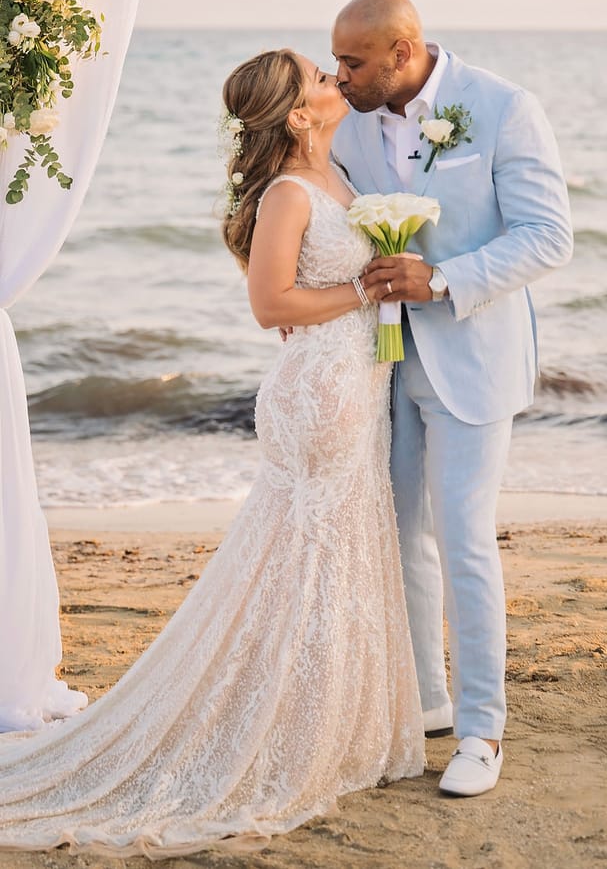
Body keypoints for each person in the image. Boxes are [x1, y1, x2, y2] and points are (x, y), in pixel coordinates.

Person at [0, 48, 424, 857]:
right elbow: (271, 305)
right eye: (321, 80)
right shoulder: (290, 194)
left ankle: (319, 719)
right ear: (299, 116)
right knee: (308, 557)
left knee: (327, 559)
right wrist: (364, 291)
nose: (337, 83)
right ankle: (283, 730)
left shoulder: (337, 178)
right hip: (319, 394)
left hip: (354, 386)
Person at [332, 0, 573, 798]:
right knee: (398, 536)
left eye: (354, 63)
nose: (341, 77)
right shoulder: (350, 121)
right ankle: (427, 701)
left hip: (474, 357)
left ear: (404, 52)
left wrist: (442, 279)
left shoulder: (503, 108)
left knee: (465, 538)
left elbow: (547, 236)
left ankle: (482, 729)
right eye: (335, 61)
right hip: (383, 363)